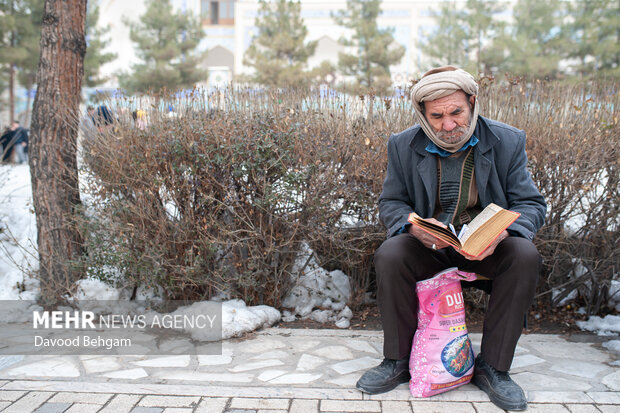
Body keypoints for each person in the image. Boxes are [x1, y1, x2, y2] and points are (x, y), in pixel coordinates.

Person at [355, 66, 546, 411]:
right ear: (423, 115)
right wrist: (412, 226)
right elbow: (392, 201)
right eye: (437, 116)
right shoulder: (403, 144)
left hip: (488, 248)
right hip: (431, 246)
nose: (448, 125)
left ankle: (494, 368)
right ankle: (397, 361)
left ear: (472, 103)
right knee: (391, 253)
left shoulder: (508, 140)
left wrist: (503, 233)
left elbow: (530, 203)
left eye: (456, 112)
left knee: (524, 253)